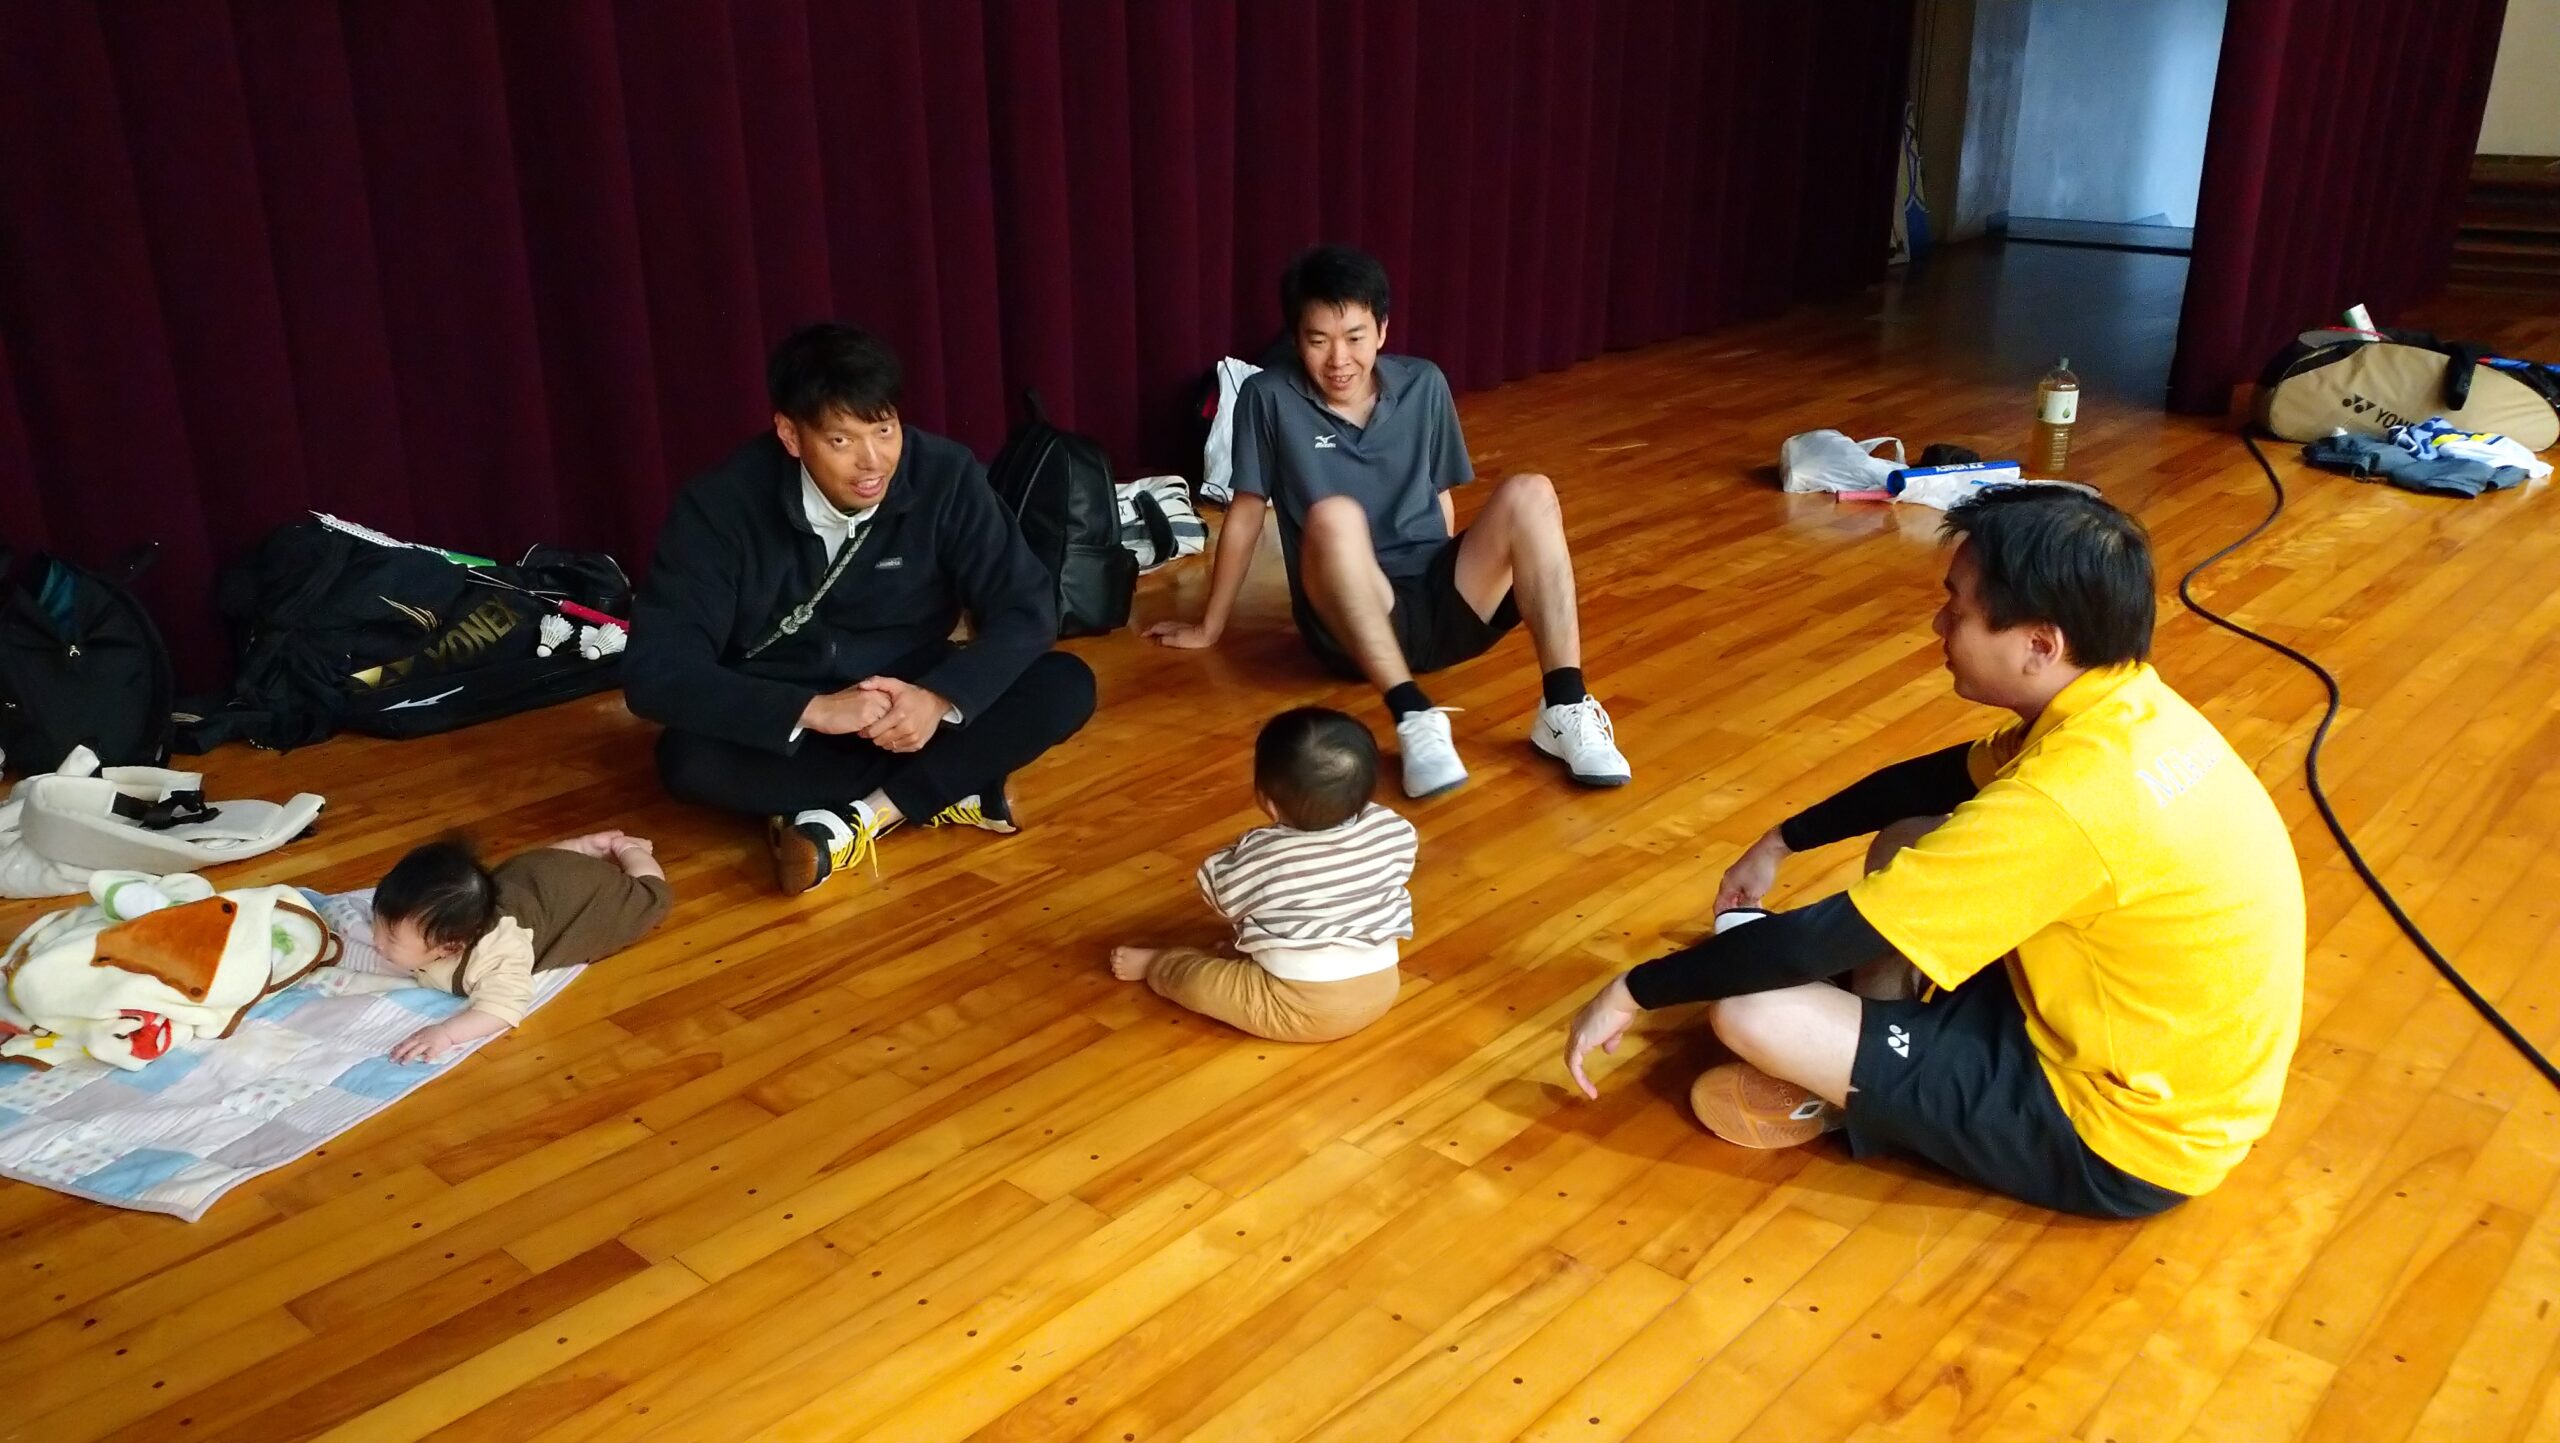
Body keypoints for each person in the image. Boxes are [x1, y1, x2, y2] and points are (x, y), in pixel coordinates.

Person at [1562, 487, 2305, 1218]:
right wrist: (1782, 839)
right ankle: (1878, 1045)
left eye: (1959, 609)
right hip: (2138, 1045)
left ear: (2040, 645)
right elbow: (1936, 779)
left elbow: (1830, 936)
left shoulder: (2068, 800)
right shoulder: (2126, 706)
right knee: (1909, 837)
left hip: (2118, 1138)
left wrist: (1633, 988)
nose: (1938, 623)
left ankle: (1847, 1089)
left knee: (1750, 1011)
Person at [1146, 245, 1630, 801]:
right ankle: (1413, 715)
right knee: (1335, 515)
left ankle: (1564, 705)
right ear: (1296, 339)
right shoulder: (1267, 396)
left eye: (1354, 337)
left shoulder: (1424, 384)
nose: (1338, 359)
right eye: (1318, 340)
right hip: (1348, 621)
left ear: (1381, 331)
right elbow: (1247, 511)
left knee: (1532, 491)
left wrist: (1444, 593)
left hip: (1436, 601)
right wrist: (1210, 626)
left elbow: (1439, 498)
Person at [626, 323, 1097, 894]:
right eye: (841, 441)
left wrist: (938, 698)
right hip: (791, 710)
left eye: (885, 430)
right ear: (791, 434)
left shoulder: (944, 476)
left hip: (910, 699)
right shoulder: (721, 505)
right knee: (687, 761)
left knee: (1065, 683)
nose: (872, 462)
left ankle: (856, 818)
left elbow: (1025, 607)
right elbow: (657, 671)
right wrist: (815, 710)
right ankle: (949, 786)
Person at [1110, 707, 1416, 1043]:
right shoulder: (1391, 828)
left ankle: (1158, 965)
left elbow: (1220, 895)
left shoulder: (1266, 854)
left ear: (1268, 803)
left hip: (1299, 1009)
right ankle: (1253, 959)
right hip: (1381, 988)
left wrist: (1241, 850)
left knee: (1194, 983)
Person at [315, 832, 672, 1063]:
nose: (377, 940)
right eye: (378, 924)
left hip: (577, 893)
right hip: (534, 871)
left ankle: (628, 850)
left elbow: (503, 1008)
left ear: (449, 947)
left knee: (651, 899)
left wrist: (447, 1033)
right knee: (527, 871)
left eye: (391, 939)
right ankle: (583, 847)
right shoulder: (438, 923)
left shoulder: (498, 955)